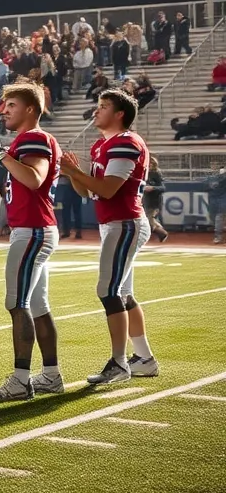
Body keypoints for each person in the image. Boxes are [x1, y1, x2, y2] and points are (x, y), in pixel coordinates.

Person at [61, 90, 160, 385]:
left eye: (103, 107)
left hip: (125, 222)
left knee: (108, 291)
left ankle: (118, 363)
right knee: (123, 293)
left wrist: (73, 171)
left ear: (119, 114)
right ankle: (144, 358)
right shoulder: (102, 145)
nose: (96, 111)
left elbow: (107, 189)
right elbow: (89, 192)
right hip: (115, 223)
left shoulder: (126, 143)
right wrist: (73, 174)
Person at [0, 84, 64, 401]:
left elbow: (34, 178)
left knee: (17, 303)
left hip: (32, 230)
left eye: (12, 104)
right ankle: (51, 375)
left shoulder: (35, 137)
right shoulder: (27, 141)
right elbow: (16, 184)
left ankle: (20, 380)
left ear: (30, 109)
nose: (5, 110)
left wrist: (0, 153)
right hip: (33, 228)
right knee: (38, 306)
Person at [142, 157, 168, 243]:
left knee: (149, 219)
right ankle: (161, 232)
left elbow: (163, 188)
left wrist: (153, 188)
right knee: (148, 220)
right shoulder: (144, 173)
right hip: (146, 201)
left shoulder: (156, 173)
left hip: (155, 202)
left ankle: (162, 233)